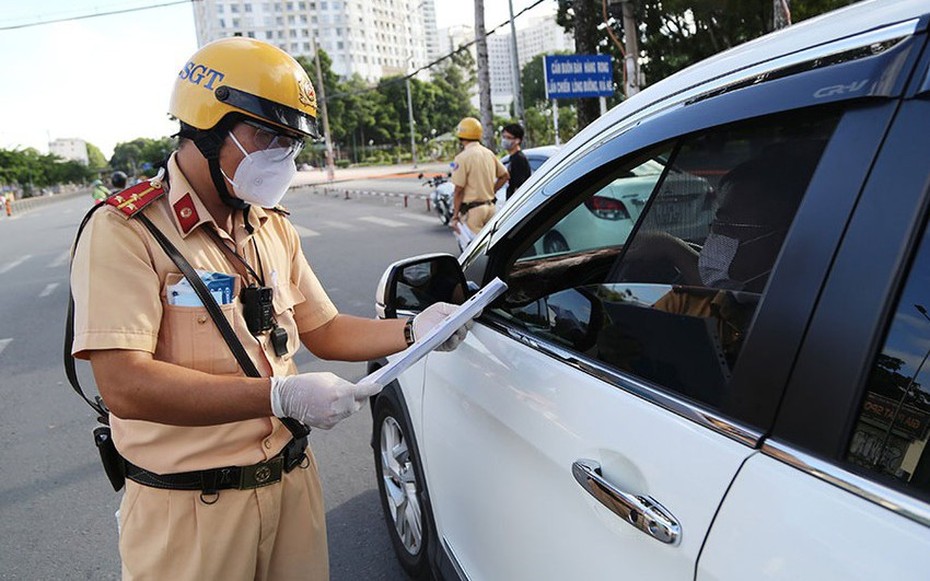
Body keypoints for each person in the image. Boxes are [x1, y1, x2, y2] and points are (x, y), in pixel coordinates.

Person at [69, 38, 472, 580]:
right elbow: (123, 385)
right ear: (207, 126)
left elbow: (324, 329)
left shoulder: (271, 225)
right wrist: (278, 394)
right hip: (190, 512)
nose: (281, 156)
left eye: (291, 143)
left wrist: (413, 330)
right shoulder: (127, 230)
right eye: (268, 135)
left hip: (291, 486)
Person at [449, 117, 509, 239]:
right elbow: (505, 176)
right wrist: (492, 190)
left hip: (473, 212)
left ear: (461, 135)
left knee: (476, 252)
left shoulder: (462, 158)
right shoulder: (489, 153)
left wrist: (455, 216)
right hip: (491, 208)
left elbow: (458, 190)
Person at [501, 123, 530, 201]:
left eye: (508, 137)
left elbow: (519, 186)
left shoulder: (519, 159)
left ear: (517, 140)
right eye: (503, 137)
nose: (504, 140)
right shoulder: (512, 158)